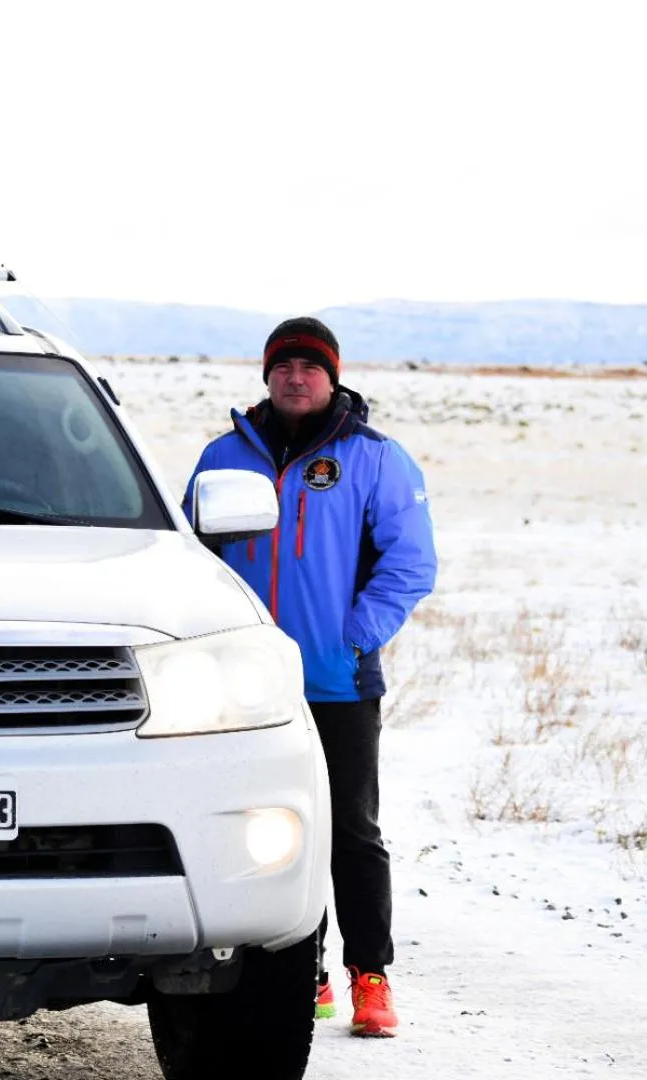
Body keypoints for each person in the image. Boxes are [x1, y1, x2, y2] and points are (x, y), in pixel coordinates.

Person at [182, 316, 437, 1037]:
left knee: (350, 831)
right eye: (283, 365)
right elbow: (188, 558)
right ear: (266, 375)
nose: (296, 377)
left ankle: (371, 977)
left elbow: (411, 563)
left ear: (333, 377)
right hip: (240, 688)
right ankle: (304, 973)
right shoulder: (223, 456)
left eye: (310, 366)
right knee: (258, 831)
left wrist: (354, 637)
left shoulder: (375, 459)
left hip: (335, 682)